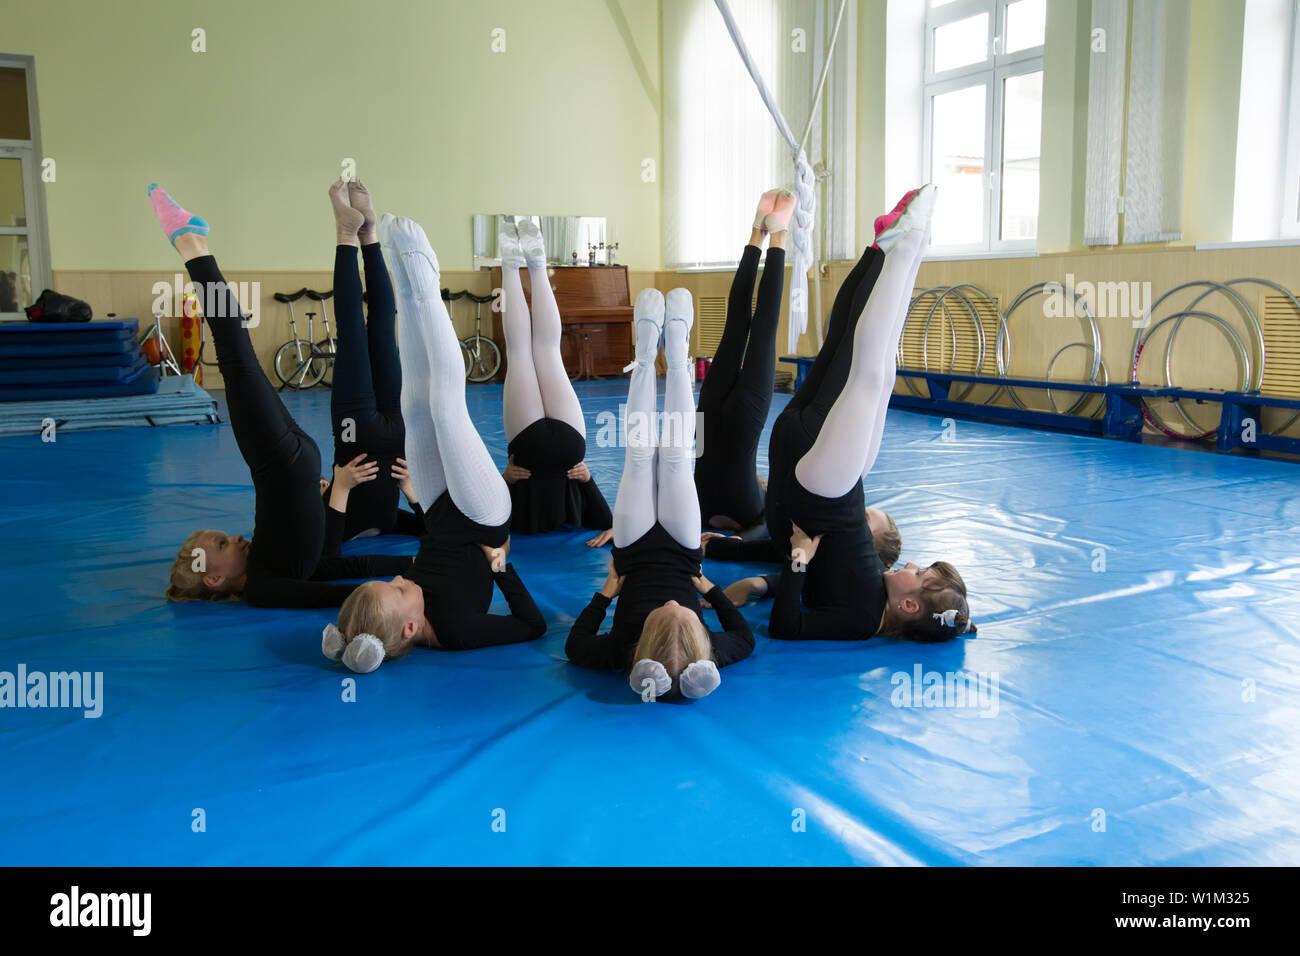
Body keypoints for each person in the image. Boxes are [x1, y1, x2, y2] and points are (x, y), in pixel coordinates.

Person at [150, 184, 412, 608]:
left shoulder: (266, 573)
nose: (235, 536)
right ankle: (189, 243)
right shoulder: (263, 588)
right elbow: (329, 578)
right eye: (223, 543)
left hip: (282, 462)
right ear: (215, 579)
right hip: (291, 459)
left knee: (236, 355)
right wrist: (412, 574)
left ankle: (192, 244)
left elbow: (329, 576)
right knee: (236, 356)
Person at [730, 186, 972, 642]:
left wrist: (798, 559)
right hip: (818, 468)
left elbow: (788, 628)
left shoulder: (862, 621)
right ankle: (890, 247)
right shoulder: (867, 596)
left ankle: (910, 243)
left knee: (870, 371)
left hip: (821, 491)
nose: (910, 564)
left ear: (908, 605)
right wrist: (769, 579)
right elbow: (815, 587)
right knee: (865, 362)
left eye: (918, 574)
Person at [324, 214, 545, 674]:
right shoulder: (460, 631)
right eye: (399, 589)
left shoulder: (406, 604)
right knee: (447, 410)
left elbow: (435, 554)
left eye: (393, 580)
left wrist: (416, 504)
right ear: (411, 628)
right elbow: (532, 625)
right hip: (486, 520)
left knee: (415, 408)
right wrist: (499, 562)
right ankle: (427, 280)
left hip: (443, 512)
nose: (402, 575)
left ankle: (405, 285)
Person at [566, 286, 753, 700]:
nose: (671, 604)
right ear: (698, 638)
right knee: (674, 456)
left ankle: (648, 354)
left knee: (639, 455)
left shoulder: (622, 651)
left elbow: (576, 646)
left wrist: (606, 593)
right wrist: (708, 589)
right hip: (685, 551)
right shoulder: (707, 654)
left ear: (643, 644)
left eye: (661, 617)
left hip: (632, 552)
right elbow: (745, 637)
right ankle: (680, 355)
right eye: (682, 613)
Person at [319, 178, 424, 540]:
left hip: (393, 439)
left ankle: (369, 234)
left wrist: (410, 491)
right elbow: (326, 548)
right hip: (358, 438)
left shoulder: (380, 523)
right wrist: (339, 487)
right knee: (357, 332)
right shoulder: (337, 525)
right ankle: (352, 234)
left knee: (381, 329)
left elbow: (431, 529)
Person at [497, 218, 612, 534]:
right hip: (538, 449)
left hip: (562, 446)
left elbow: (606, 521)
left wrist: (506, 479)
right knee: (522, 351)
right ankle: (512, 263)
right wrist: (586, 481)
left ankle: (534, 263)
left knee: (545, 350)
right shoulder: (520, 525)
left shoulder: (529, 521)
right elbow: (606, 522)